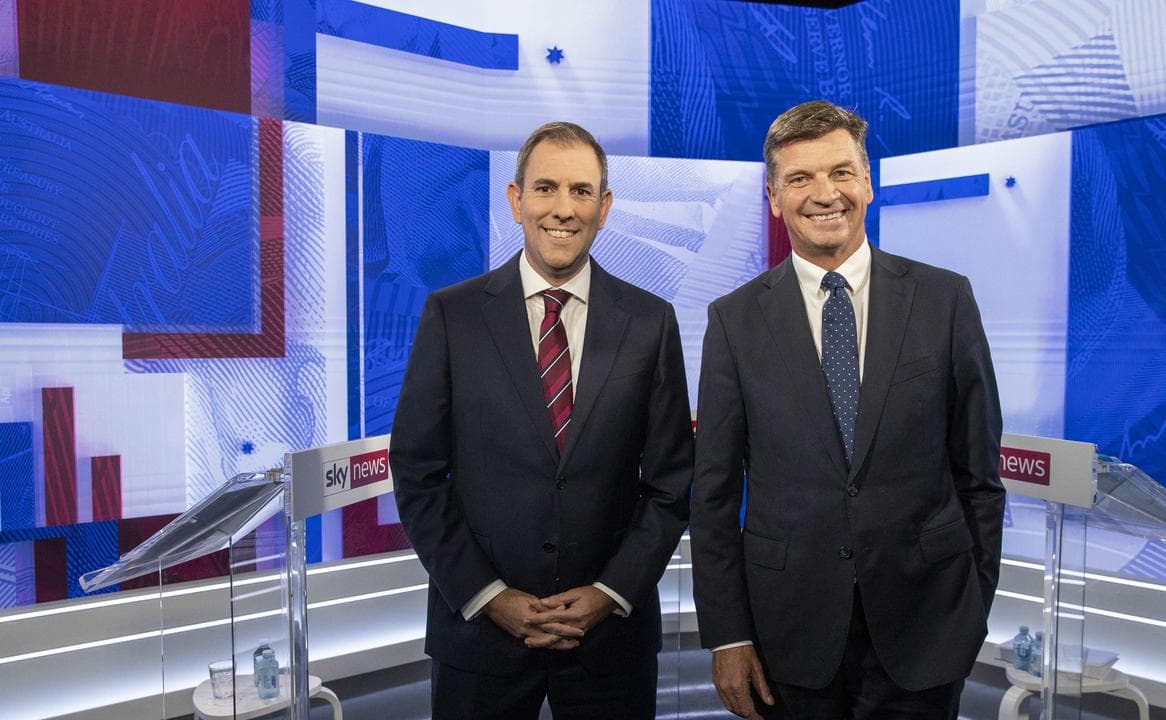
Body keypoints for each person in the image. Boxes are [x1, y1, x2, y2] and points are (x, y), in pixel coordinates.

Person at [690, 101, 1005, 720]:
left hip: (926, 628)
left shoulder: (944, 299)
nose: (823, 193)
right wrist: (729, 634)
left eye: (840, 172)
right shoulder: (733, 320)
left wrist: (971, 608)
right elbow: (715, 495)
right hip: (788, 635)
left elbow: (978, 476)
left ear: (867, 182)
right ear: (775, 198)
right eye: (799, 178)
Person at [390, 121, 694, 719]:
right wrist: (490, 596)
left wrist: (610, 593)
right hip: (480, 640)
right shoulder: (451, 316)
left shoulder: (651, 322)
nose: (563, 208)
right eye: (546, 188)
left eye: (582, 191)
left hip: (610, 643)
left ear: (604, 207)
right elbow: (419, 473)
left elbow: (671, 482)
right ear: (515, 200)